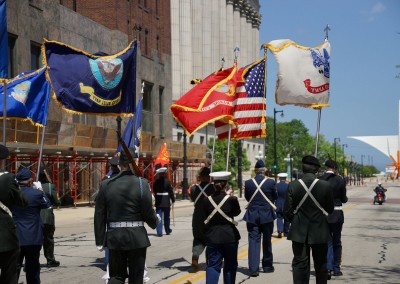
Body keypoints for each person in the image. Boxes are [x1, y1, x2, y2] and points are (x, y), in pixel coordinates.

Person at [94, 147, 159, 284]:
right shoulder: (142, 184)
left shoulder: (106, 184)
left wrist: (100, 239)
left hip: (115, 236)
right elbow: (148, 212)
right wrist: (155, 222)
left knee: (116, 277)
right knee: (136, 278)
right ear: (134, 162)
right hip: (137, 237)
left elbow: (99, 214)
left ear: (119, 164)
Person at [283, 155, 334, 284]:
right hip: (319, 230)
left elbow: (287, 212)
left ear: (303, 168)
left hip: (299, 231)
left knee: (300, 265)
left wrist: (296, 220)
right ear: (317, 170)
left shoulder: (293, 185)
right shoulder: (325, 185)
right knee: (321, 264)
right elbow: (330, 209)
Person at [12, 167, 51, 284]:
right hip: (33, 236)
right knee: (32, 268)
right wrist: (40, 189)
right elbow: (48, 204)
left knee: (14, 268)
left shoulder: (12, 194)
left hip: (16, 235)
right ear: (30, 181)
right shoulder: (37, 194)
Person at [202, 171, 241, 284]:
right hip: (230, 236)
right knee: (230, 266)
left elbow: (205, 216)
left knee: (213, 266)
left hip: (213, 236)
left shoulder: (206, 200)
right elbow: (237, 212)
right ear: (226, 183)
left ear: (214, 184)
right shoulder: (232, 199)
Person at [243, 160, 277, 277]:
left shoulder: (248, 183)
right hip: (267, 215)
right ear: (264, 170)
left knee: (253, 241)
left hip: (252, 214)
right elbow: (274, 197)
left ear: (255, 171)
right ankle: (267, 266)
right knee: (267, 241)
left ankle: (253, 268)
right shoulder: (270, 182)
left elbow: (248, 198)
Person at [0, 145, 28, 284]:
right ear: (2, 161)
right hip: (5, 236)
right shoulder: (8, 179)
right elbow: (22, 202)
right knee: (9, 274)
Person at [319, 159, 348, 278]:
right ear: (335, 168)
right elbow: (344, 199)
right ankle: (336, 268)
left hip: (324, 214)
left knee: (327, 242)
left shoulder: (320, 180)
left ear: (326, 167)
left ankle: (328, 268)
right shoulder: (340, 180)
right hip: (336, 214)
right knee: (337, 242)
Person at [189, 167, 215, 269]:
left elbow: (192, 198)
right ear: (209, 177)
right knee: (210, 240)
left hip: (197, 217)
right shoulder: (213, 188)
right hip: (209, 216)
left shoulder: (194, 188)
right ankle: (210, 262)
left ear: (200, 177)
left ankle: (195, 258)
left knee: (198, 238)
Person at [38, 170, 61, 268]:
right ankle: (50, 260)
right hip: (47, 216)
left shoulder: (32, 187)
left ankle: (33, 261)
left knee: (36, 240)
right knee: (48, 240)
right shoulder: (50, 187)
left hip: (36, 217)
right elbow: (57, 202)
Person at [154, 167, 175, 237]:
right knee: (167, 217)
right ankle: (167, 230)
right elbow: (171, 192)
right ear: (164, 174)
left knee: (158, 217)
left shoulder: (156, 182)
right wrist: (173, 199)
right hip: (166, 202)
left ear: (159, 174)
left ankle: (159, 232)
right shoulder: (167, 182)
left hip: (159, 202)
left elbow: (155, 191)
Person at [276, 172, 290, 238]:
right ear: (285, 178)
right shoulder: (288, 186)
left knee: (279, 218)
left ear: (279, 178)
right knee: (287, 219)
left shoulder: (276, 186)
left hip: (278, 203)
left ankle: (279, 231)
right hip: (286, 204)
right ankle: (286, 232)